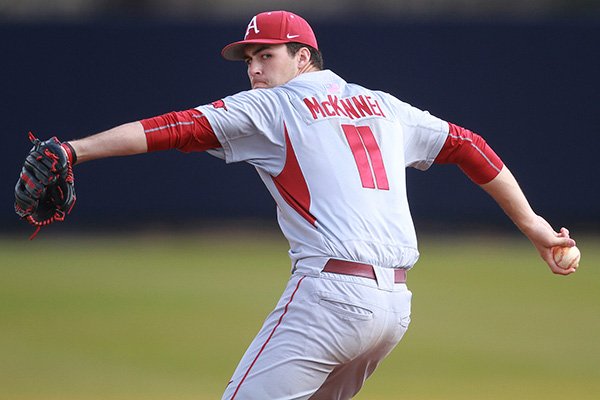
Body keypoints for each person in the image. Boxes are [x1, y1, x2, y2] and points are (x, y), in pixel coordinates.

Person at [15, 10, 577, 400]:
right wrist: (535, 228)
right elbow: (469, 146)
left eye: (266, 54)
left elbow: (173, 129)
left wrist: (74, 150)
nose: (255, 68)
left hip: (329, 299)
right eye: (248, 59)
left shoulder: (274, 107)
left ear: (303, 55)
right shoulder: (383, 105)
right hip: (393, 308)